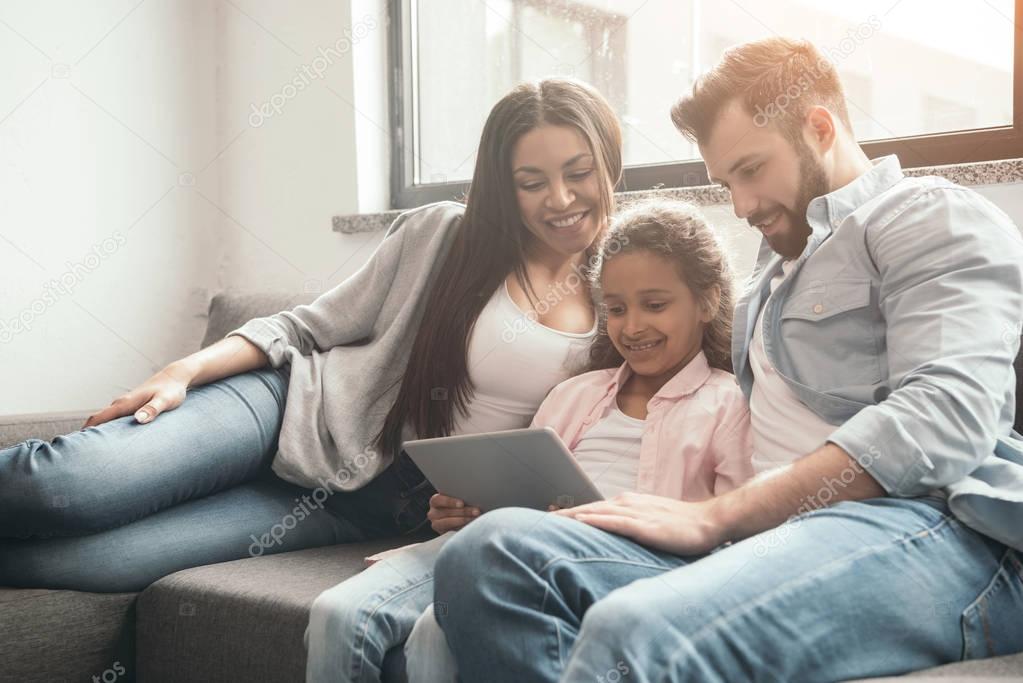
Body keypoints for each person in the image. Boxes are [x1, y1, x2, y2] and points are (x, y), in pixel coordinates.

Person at [432, 37, 1023, 682]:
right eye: (725, 182)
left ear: (819, 129)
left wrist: (717, 514)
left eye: (751, 170)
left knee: (634, 631)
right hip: (769, 539)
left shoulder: (925, 216)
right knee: (487, 557)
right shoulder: (775, 268)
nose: (740, 206)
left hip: (930, 529)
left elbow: (947, 416)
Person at [0, 77, 621, 593]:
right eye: (531, 181)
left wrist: (486, 513)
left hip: (372, 503)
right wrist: (182, 371)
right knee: (63, 488)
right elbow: (305, 325)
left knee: (94, 564)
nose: (560, 199)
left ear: (608, 165)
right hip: (288, 405)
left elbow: (579, 463)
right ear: (503, 185)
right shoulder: (443, 236)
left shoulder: (622, 302)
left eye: (578, 173)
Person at [305, 198, 754, 683]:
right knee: (336, 614)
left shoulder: (727, 404)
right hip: (501, 543)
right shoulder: (575, 394)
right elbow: (518, 495)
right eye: (617, 309)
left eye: (655, 305)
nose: (633, 326)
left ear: (707, 301)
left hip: (601, 565)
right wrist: (466, 511)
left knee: (438, 630)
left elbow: (736, 535)